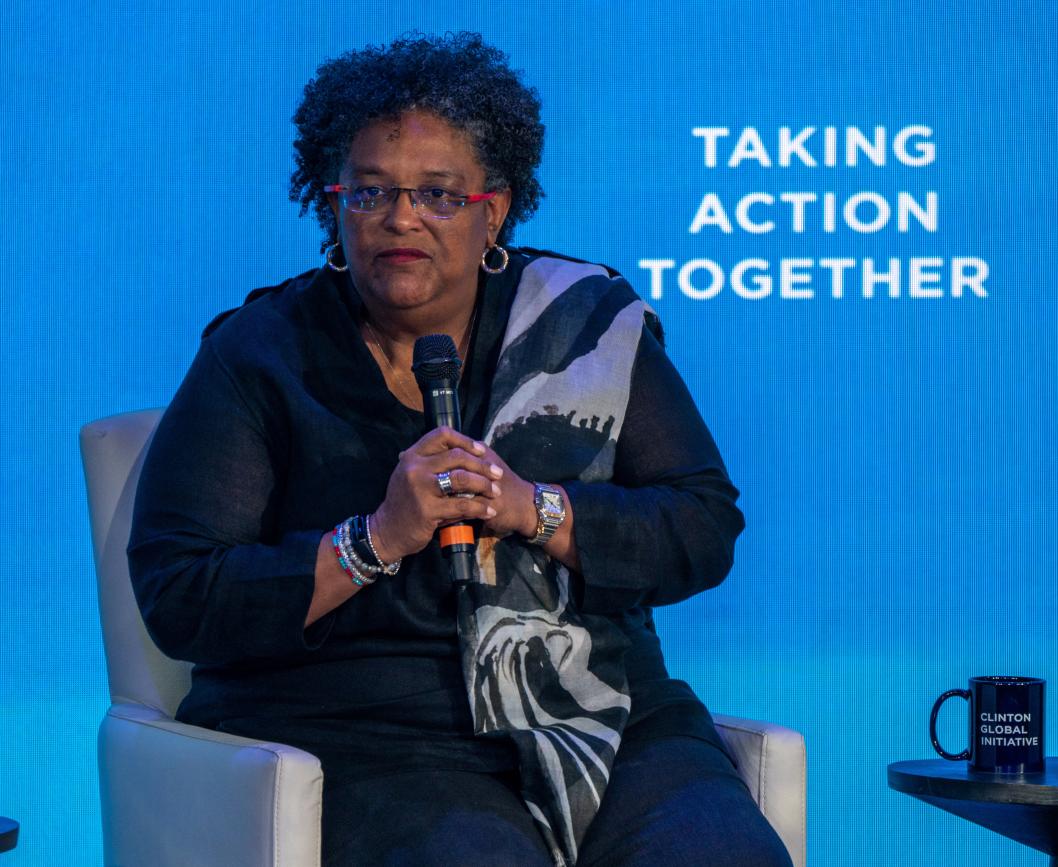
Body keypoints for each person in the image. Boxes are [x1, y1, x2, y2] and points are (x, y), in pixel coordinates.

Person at [127, 31, 792, 867]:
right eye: (369, 192)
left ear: (494, 210)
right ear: (333, 207)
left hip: (601, 710)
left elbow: (701, 524)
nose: (400, 217)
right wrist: (374, 540)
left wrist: (537, 508)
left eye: (438, 194)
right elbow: (181, 594)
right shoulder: (259, 353)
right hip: (369, 729)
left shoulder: (585, 326)